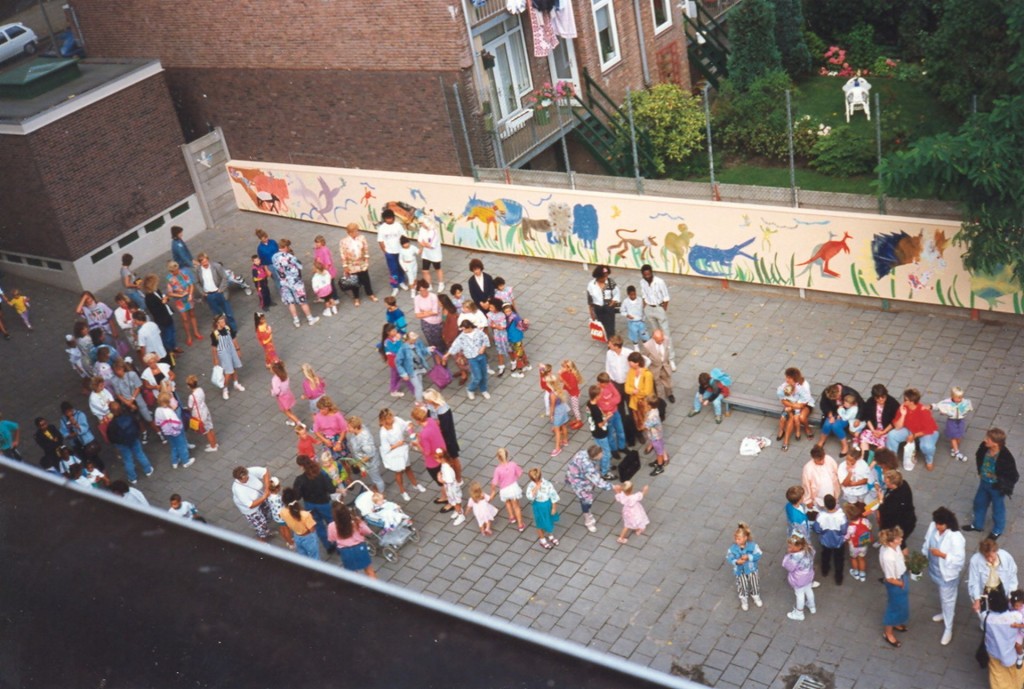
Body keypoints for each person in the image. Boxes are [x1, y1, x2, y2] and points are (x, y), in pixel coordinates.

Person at [920, 506, 966, 646]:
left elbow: (959, 560)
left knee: (948, 600)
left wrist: (942, 555)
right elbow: (927, 541)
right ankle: (945, 614)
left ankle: (948, 628)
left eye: (940, 524)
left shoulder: (956, 538)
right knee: (943, 597)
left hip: (947, 575)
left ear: (948, 523)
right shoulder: (933, 526)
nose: (937, 526)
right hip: (935, 571)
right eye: (936, 523)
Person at [963, 428, 1019, 540]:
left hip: (996, 487)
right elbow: (979, 456)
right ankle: (977, 525)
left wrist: (1003, 486)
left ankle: (997, 530)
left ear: (996, 443)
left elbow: (1013, 475)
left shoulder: (1005, 457)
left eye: (988, 439)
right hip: (984, 482)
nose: (985, 440)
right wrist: (980, 472)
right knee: (978, 503)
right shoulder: (985, 447)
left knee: (998, 508)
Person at [292, 454, 341, 554]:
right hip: (324, 503)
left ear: (301, 466)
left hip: (310, 505)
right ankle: (338, 545)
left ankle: (328, 546)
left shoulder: (300, 480)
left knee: (318, 526)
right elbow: (331, 489)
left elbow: (297, 496)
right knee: (332, 523)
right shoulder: (321, 473)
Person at [885, 388, 940, 471]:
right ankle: (892, 461)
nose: (903, 401)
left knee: (927, 447)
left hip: (925, 432)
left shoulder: (923, 411)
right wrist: (903, 415)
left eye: (905, 400)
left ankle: (929, 460)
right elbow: (897, 427)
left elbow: (929, 429)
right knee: (892, 435)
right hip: (909, 429)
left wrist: (914, 435)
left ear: (912, 402)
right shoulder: (903, 408)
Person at [271, 239, 320, 328]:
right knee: (303, 302)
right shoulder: (291, 257)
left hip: (283, 282)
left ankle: (296, 321)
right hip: (295, 283)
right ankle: (310, 319)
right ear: (285, 247)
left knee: (291, 303)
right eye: (288, 247)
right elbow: (300, 266)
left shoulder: (274, 257)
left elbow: (275, 268)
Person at [378, 408, 424, 502]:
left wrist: (410, 426)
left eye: (392, 416)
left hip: (402, 449)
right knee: (399, 472)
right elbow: (386, 448)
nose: (392, 418)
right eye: (389, 418)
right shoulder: (383, 433)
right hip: (393, 453)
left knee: (408, 467)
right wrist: (397, 444)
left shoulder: (396, 420)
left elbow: (405, 425)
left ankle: (415, 484)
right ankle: (402, 491)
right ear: (384, 420)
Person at [565, 446, 613, 534]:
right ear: (595, 456)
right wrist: (612, 487)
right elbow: (597, 481)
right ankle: (588, 520)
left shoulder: (582, 453)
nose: (602, 455)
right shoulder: (588, 466)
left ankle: (588, 515)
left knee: (586, 499)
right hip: (580, 484)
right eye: (601, 454)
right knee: (586, 502)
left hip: (575, 477)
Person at [981, 590, 1024, 688]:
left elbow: (981, 612)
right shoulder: (1016, 616)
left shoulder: (986, 618)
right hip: (1011, 651)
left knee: (997, 675)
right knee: (1014, 672)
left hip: (993, 651)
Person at [106, 401, 154, 484]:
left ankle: (133, 478)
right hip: (133, 439)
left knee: (127, 459)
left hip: (122, 444)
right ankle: (148, 470)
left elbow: (111, 438)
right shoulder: (129, 416)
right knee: (140, 454)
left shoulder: (112, 424)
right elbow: (137, 425)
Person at [442, 320, 490, 401]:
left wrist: (483, 347)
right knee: (477, 376)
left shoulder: (478, 332)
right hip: (472, 358)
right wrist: (447, 355)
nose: (463, 331)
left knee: (484, 374)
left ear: (470, 327)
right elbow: (455, 346)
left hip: (481, 356)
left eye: (465, 329)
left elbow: (485, 339)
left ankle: (483, 389)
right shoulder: (462, 337)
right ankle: (470, 389)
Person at [639, 264, 676, 371]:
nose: (647, 276)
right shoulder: (642, 282)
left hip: (659, 307)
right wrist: (645, 306)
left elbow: (666, 297)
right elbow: (644, 295)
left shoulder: (659, 282)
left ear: (652, 272)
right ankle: (659, 357)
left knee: (666, 335)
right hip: (649, 309)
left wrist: (663, 309)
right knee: (656, 335)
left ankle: (671, 359)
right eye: (645, 275)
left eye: (649, 274)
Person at [605, 336, 640, 447]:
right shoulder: (609, 354)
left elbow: (643, 362)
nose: (608, 345)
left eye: (610, 344)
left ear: (616, 346)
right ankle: (626, 434)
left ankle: (638, 432)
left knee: (633, 409)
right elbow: (608, 368)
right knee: (620, 411)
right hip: (616, 385)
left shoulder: (628, 353)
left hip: (627, 384)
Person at [421, 388, 462, 483]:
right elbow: (429, 419)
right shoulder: (430, 407)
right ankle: (451, 475)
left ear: (431, 399)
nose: (425, 401)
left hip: (448, 439)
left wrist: (436, 424)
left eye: (426, 399)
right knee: (446, 459)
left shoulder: (444, 410)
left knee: (454, 458)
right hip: (438, 438)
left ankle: (459, 478)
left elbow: (445, 428)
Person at [968, 538, 1018, 614]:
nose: (989, 559)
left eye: (991, 556)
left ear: (996, 551)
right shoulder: (975, 560)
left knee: (1003, 610)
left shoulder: (1006, 557)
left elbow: (1012, 577)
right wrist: (977, 599)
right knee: (984, 613)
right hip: (985, 591)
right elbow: (974, 581)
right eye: (986, 556)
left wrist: (1010, 595)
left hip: (1000, 589)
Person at [328, 502, 376, 578]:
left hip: (345, 551)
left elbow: (332, 539)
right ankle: (375, 588)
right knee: (369, 571)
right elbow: (367, 531)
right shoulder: (356, 521)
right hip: (360, 548)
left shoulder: (331, 526)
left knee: (353, 575)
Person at [879, 527, 909, 648]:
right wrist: (901, 583)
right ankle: (888, 633)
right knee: (894, 607)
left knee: (900, 605)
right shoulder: (888, 557)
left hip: (901, 577)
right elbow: (890, 578)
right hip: (896, 583)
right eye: (898, 538)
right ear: (891, 542)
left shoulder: (891, 547)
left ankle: (896, 623)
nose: (901, 539)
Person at [817, 383, 864, 454]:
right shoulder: (827, 392)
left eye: (836, 398)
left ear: (839, 393)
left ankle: (845, 446)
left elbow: (862, 406)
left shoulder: (851, 393)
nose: (836, 400)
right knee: (827, 424)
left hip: (847, 414)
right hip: (834, 412)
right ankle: (821, 441)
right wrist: (830, 415)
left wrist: (858, 419)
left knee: (836, 426)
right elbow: (823, 404)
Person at [812, 494, 848, 585]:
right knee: (839, 559)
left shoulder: (821, 516)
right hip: (838, 542)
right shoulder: (841, 516)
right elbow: (844, 531)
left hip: (825, 541)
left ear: (825, 505)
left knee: (825, 555)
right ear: (835, 503)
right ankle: (838, 578)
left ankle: (825, 570)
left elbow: (817, 529)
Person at [726, 522, 763, 611]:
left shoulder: (753, 546)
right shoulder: (732, 549)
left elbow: (759, 554)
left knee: (754, 583)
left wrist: (749, 557)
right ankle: (744, 600)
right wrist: (736, 561)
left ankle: (755, 596)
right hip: (740, 571)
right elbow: (729, 557)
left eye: (739, 539)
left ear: (745, 538)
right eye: (736, 539)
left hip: (752, 569)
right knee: (742, 585)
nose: (737, 541)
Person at [338, 222, 377, 305]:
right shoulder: (343, 242)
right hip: (351, 264)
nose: (357, 232)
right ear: (350, 232)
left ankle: (370, 293)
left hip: (361, 262)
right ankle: (356, 297)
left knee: (366, 279)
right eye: (355, 231)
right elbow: (343, 254)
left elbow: (366, 248)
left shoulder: (362, 238)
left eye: (357, 230)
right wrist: (345, 266)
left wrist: (366, 258)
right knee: (354, 281)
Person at [231, 465, 274, 541]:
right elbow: (250, 505)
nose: (247, 478)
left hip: (260, 498)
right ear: (239, 479)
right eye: (245, 478)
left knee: (267, 517)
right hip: (252, 510)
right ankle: (262, 541)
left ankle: (266, 531)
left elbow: (265, 472)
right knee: (261, 526)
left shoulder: (248, 472)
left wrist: (267, 488)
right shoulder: (238, 490)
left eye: (247, 476)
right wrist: (264, 497)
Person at [165, 261, 202, 346]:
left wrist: (190, 294)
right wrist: (179, 295)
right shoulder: (169, 279)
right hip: (179, 300)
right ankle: (189, 336)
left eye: (177, 269)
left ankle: (196, 332)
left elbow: (191, 284)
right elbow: (169, 293)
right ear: (171, 271)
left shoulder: (183, 273)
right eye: (175, 271)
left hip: (188, 297)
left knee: (192, 314)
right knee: (185, 319)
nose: (177, 271)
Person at [346, 416, 386, 493]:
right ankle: (376, 487)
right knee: (374, 477)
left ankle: (381, 493)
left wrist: (358, 463)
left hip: (371, 464)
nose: (348, 429)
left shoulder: (365, 441)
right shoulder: (360, 428)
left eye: (349, 427)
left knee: (377, 479)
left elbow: (370, 454)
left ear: (356, 427)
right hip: (365, 462)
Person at [782, 533, 817, 621]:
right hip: (809, 576)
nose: (788, 549)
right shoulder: (809, 550)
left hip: (799, 579)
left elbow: (789, 567)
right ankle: (812, 606)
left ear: (799, 546)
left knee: (800, 594)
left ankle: (799, 613)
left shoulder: (794, 557)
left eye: (790, 547)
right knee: (809, 590)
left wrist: (787, 557)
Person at [776, 367, 813, 449]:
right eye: (786, 377)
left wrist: (793, 406)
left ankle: (786, 441)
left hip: (804, 404)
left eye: (789, 378)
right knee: (783, 418)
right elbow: (783, 400)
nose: (786, 380)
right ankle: (781, 431)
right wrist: (792, 406)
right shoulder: (785, 386)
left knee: (793, 418)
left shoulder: (803, 386)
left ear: (794, 379)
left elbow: (804, 403)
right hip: (791, 404)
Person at [877, 469, 917, 544]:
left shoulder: (897, 498)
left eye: (886, 482)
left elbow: (886, 513)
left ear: (892, 484)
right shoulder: (903, 483)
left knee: (898, 543)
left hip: (898, 525)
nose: (885, 482)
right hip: (903, 519)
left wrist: (881, 500)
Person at [934, 386, 973, 462]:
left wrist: (966, 410)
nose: (960, 399)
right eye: (958, 397)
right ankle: (956, 452)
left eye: (961, 397)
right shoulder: (947, 403)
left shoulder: (964, 402)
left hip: (961, 420)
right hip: (952, 421)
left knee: (959, 435)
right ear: (952, 396)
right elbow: (938, 406)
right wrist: (931, 407)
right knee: (953, 436)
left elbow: (968, 407)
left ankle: (954, 449)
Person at [525, 467, 561, 550]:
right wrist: (535, 488)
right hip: (539, 507)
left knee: (549, 520)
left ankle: (550, 534)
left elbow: (553, 495)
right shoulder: (531, 486)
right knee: (540, 523)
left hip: (547, 505)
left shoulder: (547, 484)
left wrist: (554, 508)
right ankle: (542, 539)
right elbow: (530, 497)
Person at [142, 275, 178, 355]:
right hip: (162, 319)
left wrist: (165, 300)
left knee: (172, 332)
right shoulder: (148, 298)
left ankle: (174, 347)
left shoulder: (157, 291)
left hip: (167, 314)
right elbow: (154, 311)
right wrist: (162, 303)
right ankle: (169, 351)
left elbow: (163, 297)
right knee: (167, 336)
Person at [155, 392, 193, 469]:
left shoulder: (157, 410)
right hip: (176, 432)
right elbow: (176, 423)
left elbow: (157, 422)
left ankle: (174, 461)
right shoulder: (169, 411)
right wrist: (180, 426)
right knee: (181, 446)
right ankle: (186, 461)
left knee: (174, 446)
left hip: (167, 432)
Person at [279, 487, 319, 560]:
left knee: (302, 556)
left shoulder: (282, 512)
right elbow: (312, 529)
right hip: (308, 537)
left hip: (297, 536)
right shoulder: (305, 515)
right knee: (314, 556)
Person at [211, 314, 244, 400]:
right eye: (222, 321)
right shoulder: (215, 334)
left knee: (234, 367)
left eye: (224, 320)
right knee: (228, 371)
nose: (224, 322)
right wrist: (215, 358)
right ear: (218, 323)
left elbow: (234, 339)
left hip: (231, 349)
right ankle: (225, 389)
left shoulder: (228, 328)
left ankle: (236, 383)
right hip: (223, 353)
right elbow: (214, 348)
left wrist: (238, 349)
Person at [491, 447, 525, 533]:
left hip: (504, 490)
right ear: (507, 455)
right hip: (513, 488)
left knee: (507, 503)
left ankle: (511, 517)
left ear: (498, 458)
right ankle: (520, 524)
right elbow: (520, 473)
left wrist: (493, 490)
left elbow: (494, 482)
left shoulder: (497, 469)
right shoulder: (513, 464)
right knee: (516, 506)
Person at [858, 383, 902, 450]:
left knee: (882, 447)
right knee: (863, 439)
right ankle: (865, 456)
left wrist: (883, 432)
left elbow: (894, 421)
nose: (880, 399)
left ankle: (877, 457)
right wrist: (873, 430)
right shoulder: (870, 402)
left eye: (883, 397)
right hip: (874, 429)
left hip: (886, 430)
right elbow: (867, 417)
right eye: (877, 398)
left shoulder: (893, 404)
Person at [185, 375, 218, 452]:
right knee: (210, 427)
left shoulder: (191, 396)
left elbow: (190, 406)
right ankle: (214, 443)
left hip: (199, 413)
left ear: (189, 386)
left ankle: (213, 447)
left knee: (207, 430)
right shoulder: (200, 389)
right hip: (205, 409)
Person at [801, 445, 840, 510]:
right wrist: (808, 500)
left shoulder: (829, 459)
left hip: (832, 494)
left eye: (823, 459)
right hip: (818, 498)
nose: (822, 462)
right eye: (819, 460)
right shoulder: (808, 468)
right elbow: (806, 485)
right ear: (813, 458)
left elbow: (837, 471)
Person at [586, 265, 619, 339]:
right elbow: (590, 300)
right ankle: (605, 336)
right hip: (598, 308)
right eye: (603, 277)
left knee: (610, 325)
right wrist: (591, 312)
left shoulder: (611, 283)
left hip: (609, 307)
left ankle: (611, 339)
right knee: (601, 323)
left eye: (606, 276)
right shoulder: (591, 285)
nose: (605, 278)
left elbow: (617, 293)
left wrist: (613, 302)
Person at [643, 330, 674, 404]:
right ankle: (660, 400)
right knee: (657, 385)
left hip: (665, 366)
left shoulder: (666, 339)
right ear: (654, 338)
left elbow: (668, 350)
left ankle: (669, 394)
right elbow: (645, 357)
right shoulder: (647, 346)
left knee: (668, 382)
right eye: (659, 341)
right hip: (654, 368)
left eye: (662, 339)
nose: (661, 342)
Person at [413, 279, 445, 351]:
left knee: (438, 339)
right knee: (429, 339)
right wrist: (429, 312)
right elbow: (417, 315)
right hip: (425, 322)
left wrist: (423, 312)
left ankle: (442, 353)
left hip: (436, 321)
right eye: (421, 290)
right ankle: (435, 352)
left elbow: (435, 312)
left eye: (424, 290)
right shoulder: (417, 298)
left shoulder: (433, 297)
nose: (423, 292)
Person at [270, 361, 304, 428]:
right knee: (288, 409)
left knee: (286, 411)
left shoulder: (275, 379)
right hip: (288, 393)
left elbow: (276, 391)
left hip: (282, 397)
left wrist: (272, 392)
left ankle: (299, 423)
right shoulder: (285, 374)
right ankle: (292, 421)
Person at [436, 449, 465, 527]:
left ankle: (460, 515)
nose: (436, 460)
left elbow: (449, 481)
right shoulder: (445, 465)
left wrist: (440, 479)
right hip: (451, 489)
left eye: (437, 458)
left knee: (456, 502)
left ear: (441, 458)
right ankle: (457, 511)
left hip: (452, 489)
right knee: (455, 502)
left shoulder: (447, 468)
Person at [264, 477, 295, 550]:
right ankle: (291, 543)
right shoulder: (278, 498)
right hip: (282, 517)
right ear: (277, 488)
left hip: (276, 516)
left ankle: (286, 539)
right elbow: (280, 509)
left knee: (282, 528)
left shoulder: (268, 495)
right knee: (286, 529)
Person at [844, 501, 872, 582]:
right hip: (864, 543)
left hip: (854, 546)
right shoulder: (864, 521)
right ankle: (862, 574)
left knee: (854, 558)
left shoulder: (851, 527)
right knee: (862, 558)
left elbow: (847, 537)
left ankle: (856, 573)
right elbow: (870, 527)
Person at [417, 212, 444, 291]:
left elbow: (431, 245)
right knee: (425, 270)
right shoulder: (422, 229)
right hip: (426, 254)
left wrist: (424, 244)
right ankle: (429, 285)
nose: (421, 225)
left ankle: (441, 284)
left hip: (435, 255)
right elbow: (419, 240)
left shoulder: (434, 232)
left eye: (422, 223)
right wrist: (424, 244)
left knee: (437, 269)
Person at [545, 373, 570, 457]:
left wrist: (551, 415)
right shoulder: (559, 389)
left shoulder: (552, 394)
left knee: (557, 430)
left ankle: (557, 448)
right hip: (562, 408)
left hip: (557, 412)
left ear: (549, 384)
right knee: (563, 425)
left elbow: (552, 406)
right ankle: (565, 440)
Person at [503, 302, 530, 377]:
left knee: (518, 355)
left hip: (515, 338)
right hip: (516, 337)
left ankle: (520, 372)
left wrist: (524, 322)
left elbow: (521, 324)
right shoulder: (513, 316)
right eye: (506, 312)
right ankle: (527, 365)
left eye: (509, 311)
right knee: (521, 352)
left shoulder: (514, 317)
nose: (508, 313)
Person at [486, 298, 510, 377]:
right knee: (499, 351)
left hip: (504, 335)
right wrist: (496, 326)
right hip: (497, 335)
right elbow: (490, 324)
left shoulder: (501, 315)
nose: (490, 308)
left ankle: (514, 362)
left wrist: (495, 325)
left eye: (491, 307)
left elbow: (503, 327)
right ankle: (501, 366)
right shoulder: (490, 314)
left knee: (509, 348)